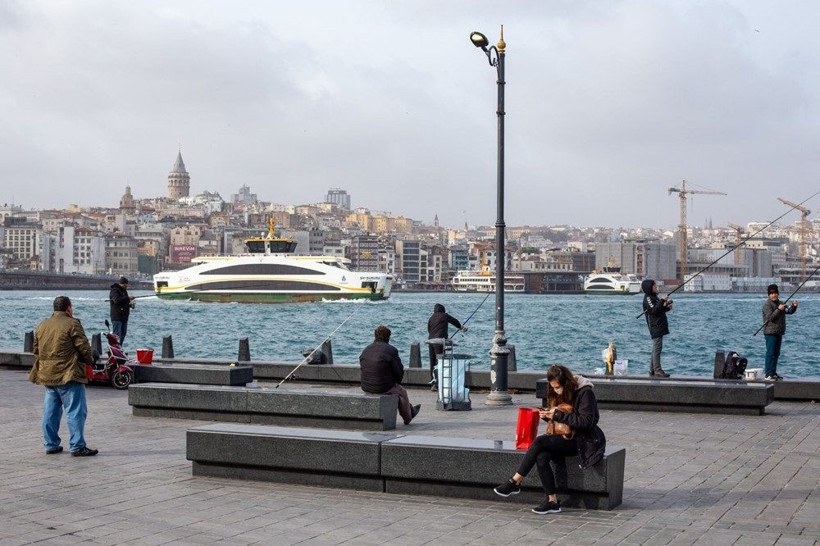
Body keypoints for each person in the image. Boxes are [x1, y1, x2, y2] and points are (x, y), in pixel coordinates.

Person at [493, 364, 606, 514]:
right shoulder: (555, 391)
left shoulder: (585, 392)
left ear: (567, 382)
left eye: (557, 387)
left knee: (539, 441)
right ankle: (552, 501)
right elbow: (561, 420)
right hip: (563, 435)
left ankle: (515, 481)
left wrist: (557, 415)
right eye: (552, 387)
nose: (555, 390)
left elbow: (587, 422)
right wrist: (547, 416)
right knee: (541, 457)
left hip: (582, 440)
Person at [28, 296, 98, 457]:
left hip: (48, 375)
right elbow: (84, 347)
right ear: (68, 308)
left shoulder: (42, 324)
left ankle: (51, 444)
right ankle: (77, 446)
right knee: (75, 411)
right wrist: (90, 361)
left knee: (50, 412)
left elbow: (36, 350)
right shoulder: (72, 323)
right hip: (69, 374)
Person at [359, 325, 420, 425]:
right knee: (402, 393)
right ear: (388, 337)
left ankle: (410, 408)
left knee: (396, 389)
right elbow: (399, 371)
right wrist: (396, 383)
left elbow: (363, 368)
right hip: (382, 386)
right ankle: (408, 417)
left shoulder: (366, 349)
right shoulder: (391, 350)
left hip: (366, 386)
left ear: (375, 336)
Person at [761, 284, 797, 381]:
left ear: (778, 294)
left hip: (778, 332)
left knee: (776, 354)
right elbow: (770, 318)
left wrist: (794, 306)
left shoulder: (780, 303)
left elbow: (789, 311)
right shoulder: (767, 305)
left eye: (775, 293)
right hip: (770, 333)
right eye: (772, 293)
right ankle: (768, 374)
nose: (774, 295)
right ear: (769, 295)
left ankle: (773, 373)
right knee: (770, 353)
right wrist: (778, 309)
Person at [427, 303, 466, 390]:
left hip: (430, 341)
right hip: (439, 342)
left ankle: (433, 383)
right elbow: (454, 321)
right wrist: (461, 327)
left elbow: (429, 330)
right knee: (439, 362)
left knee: (432, 362)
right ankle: (439, 383)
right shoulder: (444, 315)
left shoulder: (431, 318)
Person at [641, 279, 672, 377]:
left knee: (656, 347)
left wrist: (667, 307)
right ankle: (657, 370)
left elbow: (658, 309)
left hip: (659, 325)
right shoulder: (648, 298)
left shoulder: (653, 297)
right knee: (657, 348)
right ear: (649, 287)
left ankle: (652, 370)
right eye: (654, 285)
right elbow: (653, 310)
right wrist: (662, 300)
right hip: (655, 326)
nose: (656, 286)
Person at [109, 276, 135, 346]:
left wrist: (130, 305)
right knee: (117, 334)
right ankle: (114, 347)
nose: (127, 286)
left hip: (124, 317)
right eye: (126, 285)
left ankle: (119, 347)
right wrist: (128, 298)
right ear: (122, 284)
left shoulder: (124, 291)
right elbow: (117, 300)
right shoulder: (114, 290)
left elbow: (124, 302)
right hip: (117, 317)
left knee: (123, 334)